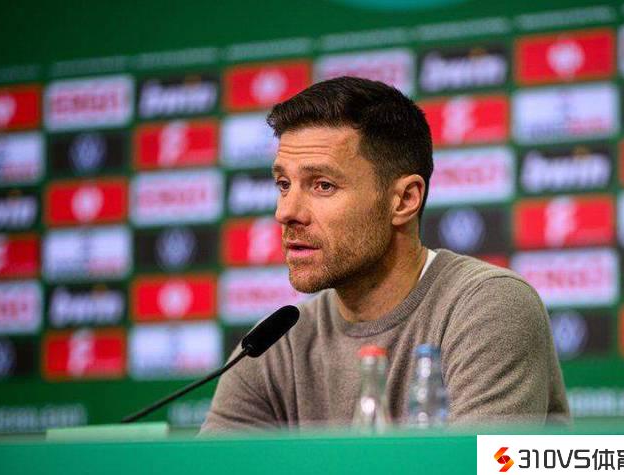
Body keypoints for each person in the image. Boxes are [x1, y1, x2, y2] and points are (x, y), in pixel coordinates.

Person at [200, 76, 569, 432]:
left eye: (322, 185)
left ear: (404, 200)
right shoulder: (273, 345)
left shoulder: (488, 306)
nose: (286, 211)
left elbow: (478, 463)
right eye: (283, 184)